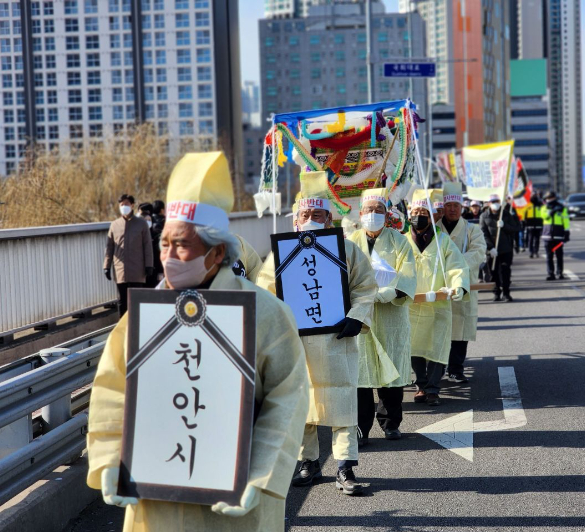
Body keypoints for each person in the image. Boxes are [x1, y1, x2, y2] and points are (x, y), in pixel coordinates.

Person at [87, 152, 310, 532]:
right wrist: (109, 461)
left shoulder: (266, 313)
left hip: (233, 502)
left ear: (217, 252)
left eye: (182, 246)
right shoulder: (143, 317)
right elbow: (111, 390)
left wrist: (258, 477)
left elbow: (288, 398)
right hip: (158, 500)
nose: (169, 256)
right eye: (164, 245)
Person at [257, 171, 378, 495]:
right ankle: (307, 462)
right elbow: (264, 294)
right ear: (296, 219)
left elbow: (366, 288)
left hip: (336, 341)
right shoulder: (280, 255)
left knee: (342, 403)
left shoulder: (348, 251)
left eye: (318, 215)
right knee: (302, 405)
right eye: (306, 215)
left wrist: (356, 316)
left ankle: (345, 466)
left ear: (330, 218)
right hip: (295, 344)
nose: (311, 220)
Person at [347, 188, 417, 446]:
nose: (373, 214)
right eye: (369, 210)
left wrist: (387, 293)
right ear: (360, 213)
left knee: (391, 371)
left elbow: (408, 273)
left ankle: (391, 424)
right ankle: (360, 428)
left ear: (387, 215)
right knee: (361, 374)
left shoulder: (399, 241)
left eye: (379, 210)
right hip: (360, 314)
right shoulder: (349, 241)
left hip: (391, 315)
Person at [407, 188, 468, 406]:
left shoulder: (443, 241)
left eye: (424, 211)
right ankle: (421, 384)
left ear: (435, 215)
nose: (419, 215)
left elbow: (457, 268)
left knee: (437, 345)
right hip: (411, 304)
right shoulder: (402, 241)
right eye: (415, 210)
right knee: (413, 345)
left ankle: (432, 388)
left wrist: (456, 286)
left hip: (438, 302)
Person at [440, 183, 487, 383]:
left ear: (462, 208)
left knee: (460, 329)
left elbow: (478, 252)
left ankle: (456, 369)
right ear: (443, 207)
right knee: (437, 329)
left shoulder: (472, 229)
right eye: (449, 205)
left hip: (463, 286)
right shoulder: (434, 228)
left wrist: (454, 264)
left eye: (456, 206)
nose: (452, 209)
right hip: (439, 285)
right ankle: (436, 369)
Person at [103, 194, 154, 316]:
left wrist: (149, 265)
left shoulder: (141, 224)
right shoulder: (114, 225)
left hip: (138, 269)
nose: (124, 207)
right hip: (120, 269)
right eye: (121, 205)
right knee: (122, 301)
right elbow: (109, 247)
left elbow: (147, 246)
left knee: (137, 300)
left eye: (126, 204)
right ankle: (123, 329)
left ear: (132, 205)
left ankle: (136, 327)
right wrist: (106, 266)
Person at [480, 193, 520, 302]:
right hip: (492, 251)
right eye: (493, 202)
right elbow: (483, 233)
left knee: (505, 271)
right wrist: (490, 247)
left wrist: (505, 226)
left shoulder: (506, 214)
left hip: (506, 248)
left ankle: (506, 293)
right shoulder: (484, 216)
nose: (495, 204)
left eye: (497, 201)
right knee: (493, 272)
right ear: (489, 204)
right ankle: (496, 293)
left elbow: (516, 228)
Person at [541, 191, 570, 281]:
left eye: (550, 198)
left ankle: (560, 273)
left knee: (559, 256)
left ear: (554, 198)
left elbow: (566, 221)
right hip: (547, 236)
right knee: (549, 256)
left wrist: (566, 232)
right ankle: (551, 274)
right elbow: (544, 216)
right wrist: (551, 212)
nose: (549, 200)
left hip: (558, 235)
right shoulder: (544, 208)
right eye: (547, 199)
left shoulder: (562, 208)